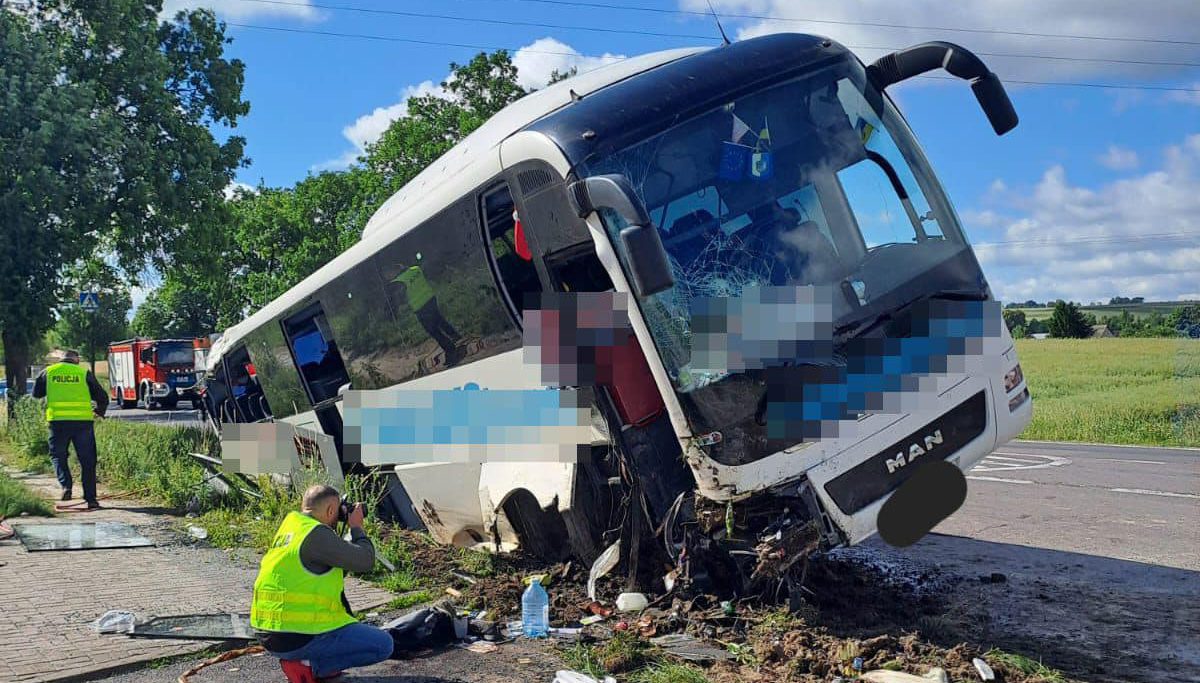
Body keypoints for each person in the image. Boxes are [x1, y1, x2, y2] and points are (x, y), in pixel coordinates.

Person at [251, 485, 393, 683]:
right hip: (298, 637)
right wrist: (357, 527)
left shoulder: (292, 527)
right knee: (383, 645)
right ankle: (311, 666)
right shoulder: (316, 534)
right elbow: (365, 560)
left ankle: (310, 664)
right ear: (330, 511)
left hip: (269, 634)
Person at [31, 349, 109, 507]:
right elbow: (102, 397)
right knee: (87, 461)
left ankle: (66, 486)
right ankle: (91, 499)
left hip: (58, 422)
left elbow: (36, 394)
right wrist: (99, 411)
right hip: (82, 423)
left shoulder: (48, 372)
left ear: (60, 360)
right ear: (77, 360)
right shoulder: (83, 373)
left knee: (57, 456)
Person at [393, 254, 462, 365]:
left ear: (395, 270)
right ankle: (455, 335)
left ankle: (450, 351)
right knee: (439, 319)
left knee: (434, 331)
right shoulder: (416, 269)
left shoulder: (399, 281)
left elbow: (399, 299)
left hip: (420, 308)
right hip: (430, 299)